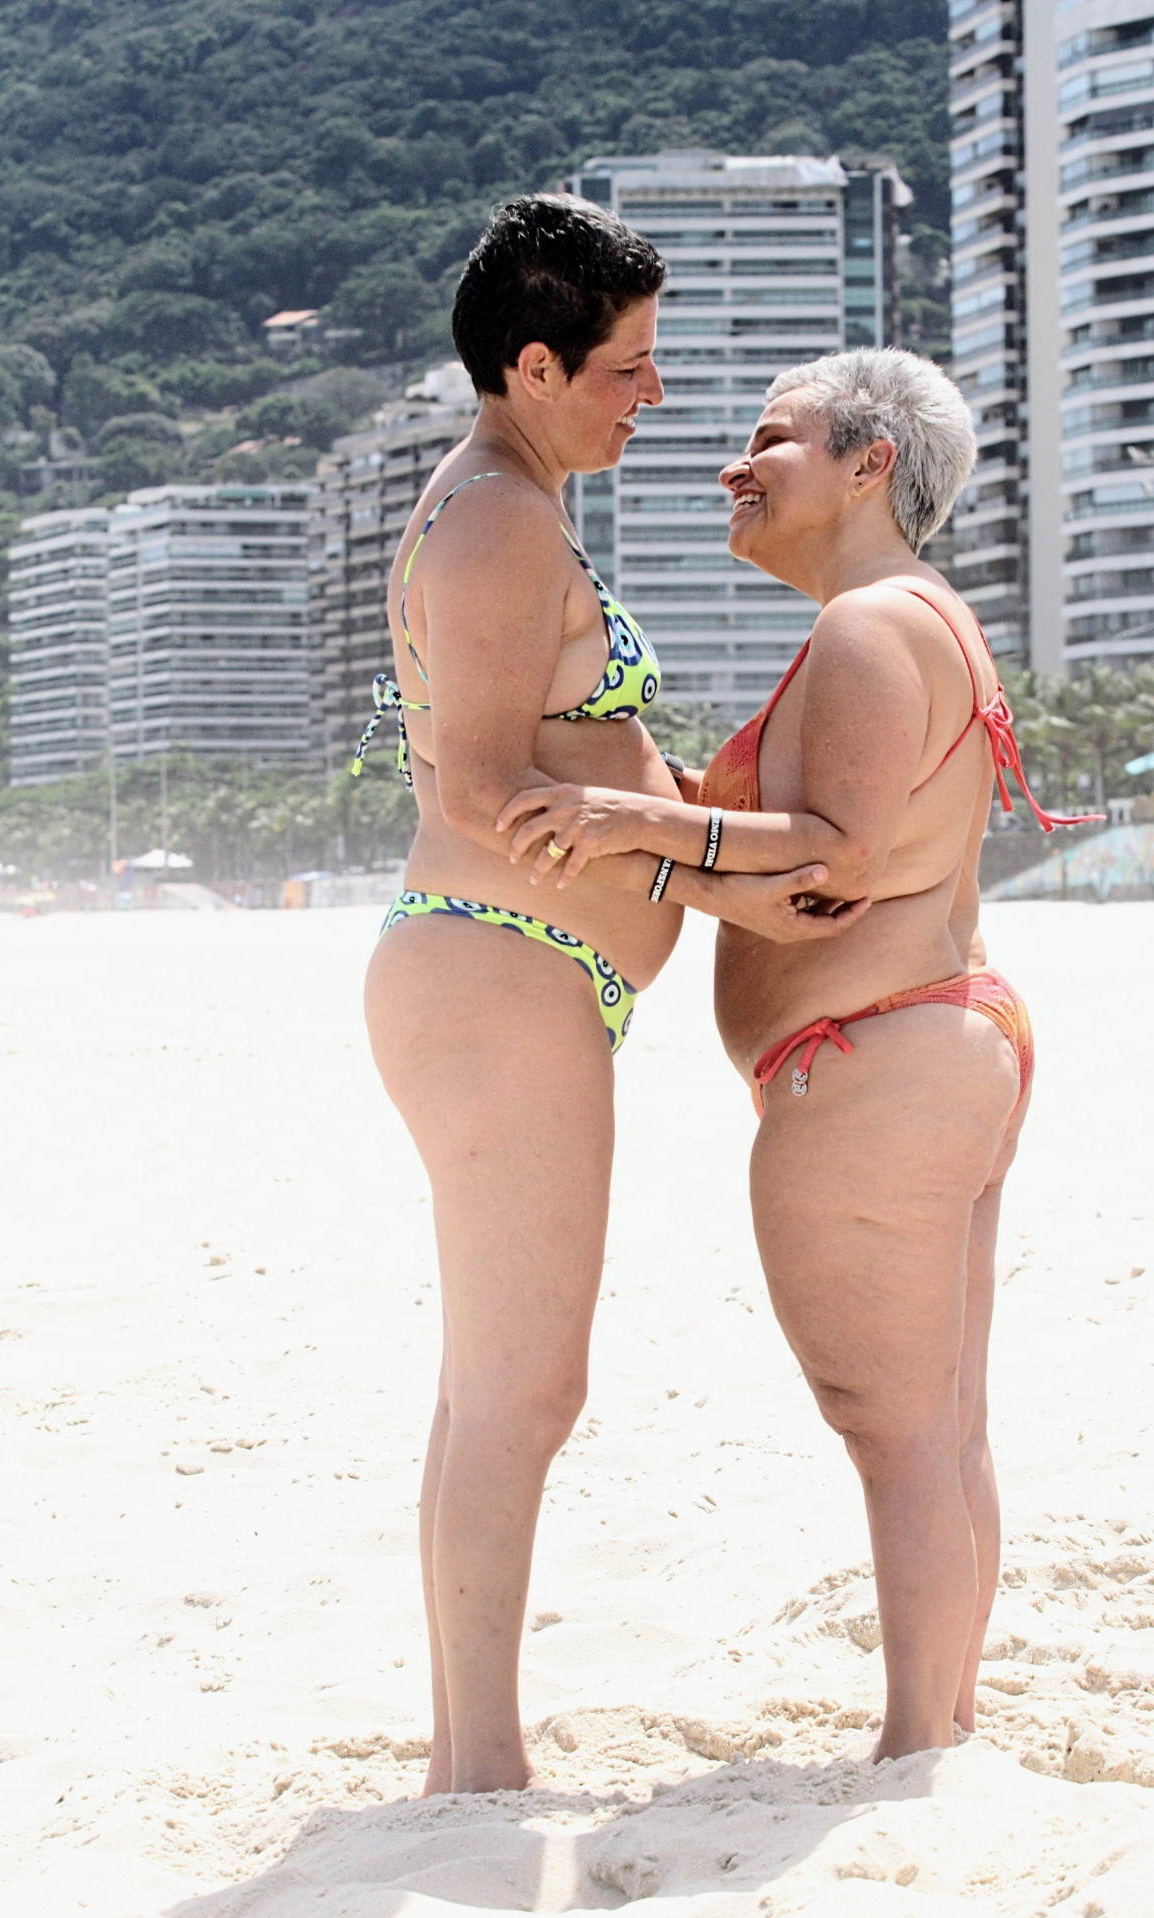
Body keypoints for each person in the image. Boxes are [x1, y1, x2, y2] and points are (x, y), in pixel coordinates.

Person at [499, 347, 1098, 1761]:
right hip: (934, 1037)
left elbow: (836, 854)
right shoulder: (911, 620)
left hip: (879, 1056)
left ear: (870, 463)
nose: (734, 464)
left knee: (890, 1423)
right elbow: (828, 869)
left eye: (771, 439)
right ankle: (938, 1720)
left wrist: (637, 827)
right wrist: (664, 840)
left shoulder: (875, 626)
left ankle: (918, 1746)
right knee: (940, 1421)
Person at [358, 196, 851, 1796]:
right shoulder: (496, 516)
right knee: (523, 1384)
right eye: (629, 369)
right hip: (501, 969)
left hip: (510, 974)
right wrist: (716, 873)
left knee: (497, 1381)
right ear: (534, 362)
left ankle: (469, 1750)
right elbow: (499, 788)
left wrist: (704, 855)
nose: (654, 398)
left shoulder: (506, 502)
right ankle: (478, 1769)